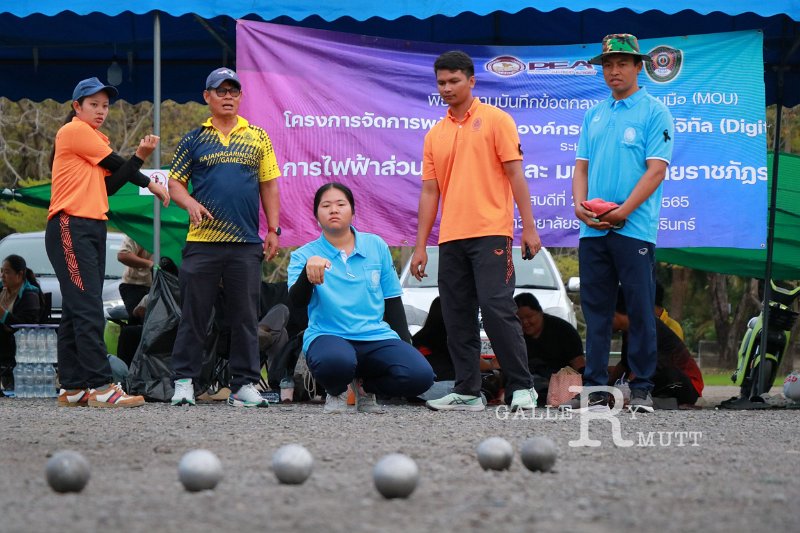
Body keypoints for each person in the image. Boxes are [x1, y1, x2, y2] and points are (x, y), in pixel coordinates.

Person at [411, 50, 539, 412]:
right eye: (441, 82)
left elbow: (516, 174)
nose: (447, 88)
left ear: (471, 81)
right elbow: (430, 191)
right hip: (450, 237)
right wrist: (421, 246)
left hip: (492, 233)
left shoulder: (497, 120)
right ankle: (468, 391)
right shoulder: (435, 134)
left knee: (497, 309)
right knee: (456, 315)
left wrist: (529, 227)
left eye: (454, 81)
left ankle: (522, 388)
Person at [45, 77, 169, 408]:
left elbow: (111, 185)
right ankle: (101, 386)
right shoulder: (73, 131)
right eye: (94, 105)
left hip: (91, 225)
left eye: (105, 106)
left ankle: (72, 389)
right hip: (71, 224)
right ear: (77, 107)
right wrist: (151, 183)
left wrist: (140, 156)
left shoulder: (95, 140)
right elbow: (117, 163)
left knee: (76, 308)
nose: (101, 111)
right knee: (87, 308)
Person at [570, 34, 674, 413]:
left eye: (622, 63)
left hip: (633, 228)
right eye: (608, 64)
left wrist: (625, 209)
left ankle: (642, 388)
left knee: (640, 309)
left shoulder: (654, 111)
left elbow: (656, 170)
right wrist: (579, 205)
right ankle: (596, 391)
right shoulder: (594, 114)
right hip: (592, 229)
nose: (614, 71)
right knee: (596, 313)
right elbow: (581, 166)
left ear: (638, 66)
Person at [168, 67, 281, 408]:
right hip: (202, 243)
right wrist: (189, 203)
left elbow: (269, 184)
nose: (228, 96)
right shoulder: (193, 139)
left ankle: (243, 384)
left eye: (234, 91)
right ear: (207, 97)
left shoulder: (258, 136)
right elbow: (174, 184)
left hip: (246, 243)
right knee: (194, 315)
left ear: (241, 97)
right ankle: (185, 382)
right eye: (221, 91)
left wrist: (273, 229)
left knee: (246, 316)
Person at [288, 182, 434, 413]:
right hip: (328, 336)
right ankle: (336, 391)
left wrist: (404, 348)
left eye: (340, 204)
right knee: (337, 362)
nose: (333, 210)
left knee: (421, 375)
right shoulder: (304, 255)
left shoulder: (376, 245)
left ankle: (365, 388)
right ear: (317, 216)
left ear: (353, 213)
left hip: (374, 335)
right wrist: (308, 273)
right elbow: (296, 304)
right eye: (326, 205)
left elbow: (392, 300)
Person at [613, 289, 703, 406]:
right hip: (659, 377)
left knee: (667, 375)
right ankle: (650, 398)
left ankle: (650, 399)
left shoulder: (650, 327)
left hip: (685, 383)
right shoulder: (628, 332)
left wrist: (626, 389)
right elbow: (624, 365)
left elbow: (644, 364)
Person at [514, 293, 585, 404]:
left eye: (529, 317)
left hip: (559, 383)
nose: (525, 322)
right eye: (519, 319)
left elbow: (579, 364)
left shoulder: (564, 330)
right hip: (526, 383)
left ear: (540, 312)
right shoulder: (515, 334)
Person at [0, 255, 45, 390]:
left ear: (19, 275)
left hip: (16, 343)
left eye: (7, 272)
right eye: (1, 271)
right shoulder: (1, 290)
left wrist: (3, 314)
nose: (2, 276)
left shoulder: (29, 295)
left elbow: (26, 326)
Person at [117, 236, 154, 323]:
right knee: (140, 324)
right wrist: (150, 264)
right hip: (136, 285)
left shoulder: (171, 231)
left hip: (161, 286)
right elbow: (123, 255)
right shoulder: (140, 229)